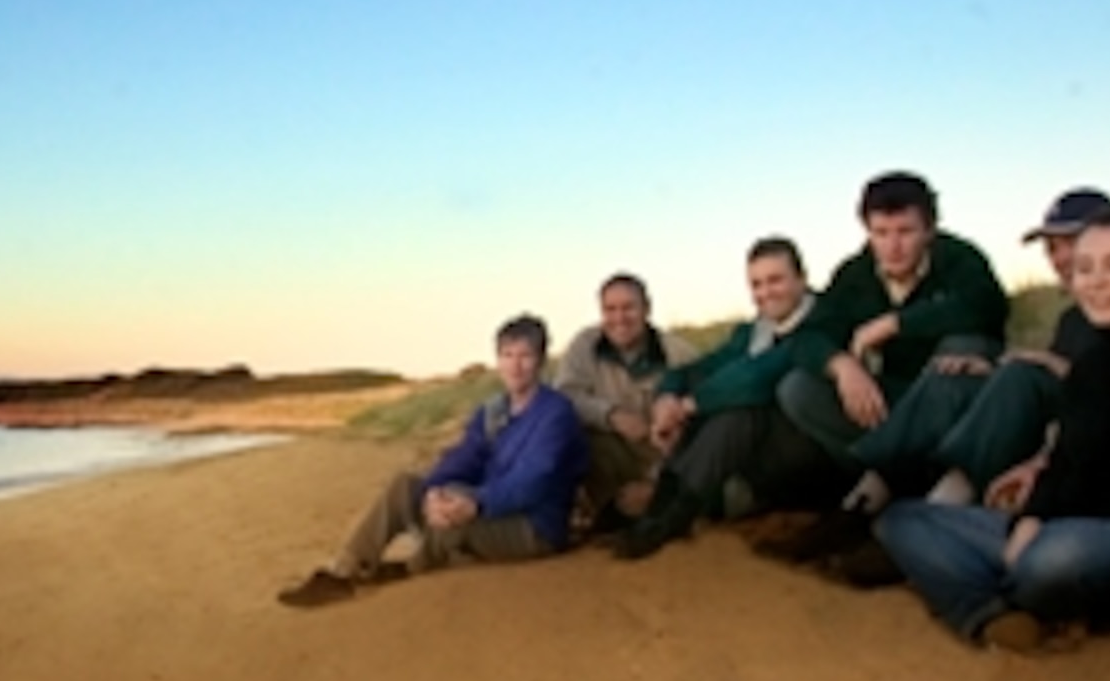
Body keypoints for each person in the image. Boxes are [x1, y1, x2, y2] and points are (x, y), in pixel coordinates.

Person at [872, 207, 1110, 651]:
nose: (1094, 281)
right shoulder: (1096, 358)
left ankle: (998, 587)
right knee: (903, 519)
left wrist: (1050, 524)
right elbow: (1066, 462)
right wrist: (1033, 516)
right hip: (1077, 527)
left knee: (1052, 559)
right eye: (1083, 269)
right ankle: (990, 615)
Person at [833, 186, 1110, 515]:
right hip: (923, 398)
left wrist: (1043, 366)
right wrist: (995, 372)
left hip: (1102, 455)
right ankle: (877, 493)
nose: (1061, 257)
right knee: (957, 373)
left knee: (1013, 372)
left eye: (1072, 243)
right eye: (1054, 247)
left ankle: (941, 508)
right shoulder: (1073, 319)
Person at [277, 314, 588, 607]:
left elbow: (533, 479)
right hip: (490, 506)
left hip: (534, 526)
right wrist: (434, 490)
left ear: (541, 361)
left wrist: (475, 504)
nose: (515, 366)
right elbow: (465, 456)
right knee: (405, 488)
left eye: (525, 356)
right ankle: (345, 571)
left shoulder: (555, 413)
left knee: (453, 525)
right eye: (507, 356)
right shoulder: (493, 410)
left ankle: (411, 567)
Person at [775, 172, 1012, 472]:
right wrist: (841, 366)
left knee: (963, 348)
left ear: (929, 230)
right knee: (797, 388)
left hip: (948, 396)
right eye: (881, 233)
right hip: (890, 398)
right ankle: (898, 471)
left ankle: (890, 476)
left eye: (905, 231)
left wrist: (896, 323)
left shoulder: (959, 258)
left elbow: (987, 306)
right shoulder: (853, 274)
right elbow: (811, 335)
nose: (892, 246)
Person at [610, 238, 827, 560]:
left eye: (776, 280)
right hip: (766, 456)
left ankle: (672, 515)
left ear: (802, 278)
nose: (766, 292)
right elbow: (698, 370)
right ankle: (665, 505)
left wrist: (687, 406)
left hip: (817, 457)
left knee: (738, 408)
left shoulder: (824, 321)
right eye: (757, 284)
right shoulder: (755, 332)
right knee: (712, 392)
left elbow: (761, 376)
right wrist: (668, 398)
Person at [554, 272, 700, 528]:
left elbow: (702, 421)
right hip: (612, 459)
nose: (619, 318)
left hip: (667, 463)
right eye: (610, 309)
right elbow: (564, 396)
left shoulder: (680, 353)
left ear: (646, 309)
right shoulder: (584, 345)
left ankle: (656, 504)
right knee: (564, 429)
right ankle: (596, 512)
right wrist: (611, 415)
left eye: (628, 308)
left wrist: (658, 479)